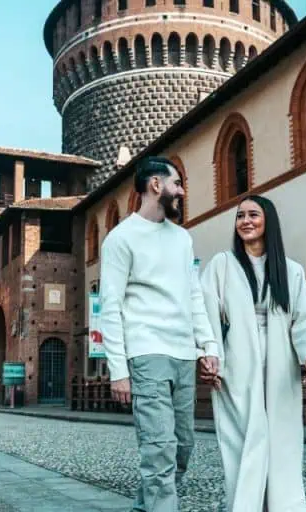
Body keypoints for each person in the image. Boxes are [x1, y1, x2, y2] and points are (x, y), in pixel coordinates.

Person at [197, 195, 306, 512]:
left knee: (282, 440)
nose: (245, 221)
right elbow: (203, 311)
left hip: (279, 365)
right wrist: (209, 353)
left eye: (253, 215)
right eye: (240, 216)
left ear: (269, 222)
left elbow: (305, 316)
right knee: (242, 439)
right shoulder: (222, 265)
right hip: (237, 364)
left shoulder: (290, 271)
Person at [99, 156, 219, 511]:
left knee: (183, 446)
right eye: (177, 183)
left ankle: (145, 506)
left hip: (184, 354)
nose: (181, 191)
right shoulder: (121, 239)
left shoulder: (182, 239)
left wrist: (207, 345)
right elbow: (111, 306)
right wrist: (118, 370)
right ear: (156, 186)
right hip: (146, 354)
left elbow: (193, 294)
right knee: (158, 449)